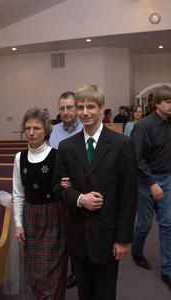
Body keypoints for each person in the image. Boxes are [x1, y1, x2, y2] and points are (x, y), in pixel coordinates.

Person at [54, 84, 137, 300]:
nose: (85, 112)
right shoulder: (67, 147)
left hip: (108, 235)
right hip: (79, 234)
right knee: (85, 293)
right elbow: (57, 188)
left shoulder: (122, 145)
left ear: (101, 108)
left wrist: (123, 239)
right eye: (80, 107)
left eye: (91, 106)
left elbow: (129, 196)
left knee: (106, 292)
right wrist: (80, 198)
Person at [13, 108, 68, 299]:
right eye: (27, 128)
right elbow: (18, 194)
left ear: (46, 130)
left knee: (51, 269)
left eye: (36, 128)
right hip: (30, 217)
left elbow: (65, 189)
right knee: (33, 268)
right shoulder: (19, 157)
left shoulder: (57, 156)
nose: (31, 132)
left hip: (53, 217)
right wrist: (19, 224)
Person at [131, 85, 171, 291]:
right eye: (168, 102)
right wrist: (152, 183)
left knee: (167, 224)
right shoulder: (145, 126)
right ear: (157, 104)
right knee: (145, 225)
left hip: (167, 178)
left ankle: (168, 270)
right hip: (147, 181)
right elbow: (136, 159)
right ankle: (136, 252)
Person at [50, 91, 83, 289]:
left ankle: (82, 272)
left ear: (77, 108)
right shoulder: (55, 131)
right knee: (67, 234)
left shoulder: (86, 127)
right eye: (62, 108)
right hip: (63, 189)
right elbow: (54, 159)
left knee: (82, 233)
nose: (66, 112)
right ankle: (71, 272)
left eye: (69, 107)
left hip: (82, 187)